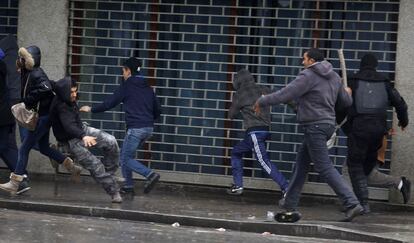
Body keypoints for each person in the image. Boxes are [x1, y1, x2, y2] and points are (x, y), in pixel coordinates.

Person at [254, 48, 363, 222]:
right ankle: (290, 202)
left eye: (304, 59)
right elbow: (346, 102)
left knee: (324, 167)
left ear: (311, 61)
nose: (302, 62)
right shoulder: (334, 77)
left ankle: (351, 203)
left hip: (314, 126)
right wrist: (347, 92)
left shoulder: (308, 75)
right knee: (301, 164)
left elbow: (286, 94)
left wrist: (262, 100)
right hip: (326, 125)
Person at [0, 45, 82, 194]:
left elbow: (45, 88)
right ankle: (70, 165)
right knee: (43, 147)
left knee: (24, 148)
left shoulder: (37, 73)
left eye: (22, 58)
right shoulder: (29, 72)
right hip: (44, 116)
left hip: (43, 117)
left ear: (30, 60)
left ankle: (16, 182)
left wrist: (27, 101)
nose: (19, 60)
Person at [80, 57, 161, 195]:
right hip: (148, 128)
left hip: (136, 129)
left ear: (128, 71)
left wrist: (91, 109)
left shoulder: (127, 86)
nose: (122, 74)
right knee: (127, 155)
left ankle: (150, 174)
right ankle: (128, 186)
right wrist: (146, 120)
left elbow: (109, 103)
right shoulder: (148, 88)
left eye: (123, 71)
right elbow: (158, 110)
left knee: (124, 159)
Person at [342, 53, 409, 212]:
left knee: (355, 166)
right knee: (365, 168)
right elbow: (400, 103)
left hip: (358, 130)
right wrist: (403, 121)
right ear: (376, 65)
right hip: (378, 131)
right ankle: (357, 202)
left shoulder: (353, 80)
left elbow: (341, 104)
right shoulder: (385, 82)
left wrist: (341, 125)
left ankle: (362, 204)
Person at [49, 77, 122, 203]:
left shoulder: (63, 91)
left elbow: (50, 81)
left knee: (111, 141)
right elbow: (69, 126)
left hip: (82, 129)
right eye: (71, 92)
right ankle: (113, 191)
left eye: (75, 91)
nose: (74, 95)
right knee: (95, 165)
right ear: (64, 92)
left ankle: (110, 175)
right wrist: (83, 136)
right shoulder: (62, 106)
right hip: (72, 140)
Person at [227, 68, 289, 196]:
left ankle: (286, 188)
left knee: (263, 162)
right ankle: (238, 186)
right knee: (236, 152)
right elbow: (280, 96)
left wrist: (240, 109)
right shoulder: (262, 88)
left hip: (254, 133)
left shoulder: (239, 94)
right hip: (263, 131)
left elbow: (231, 115)